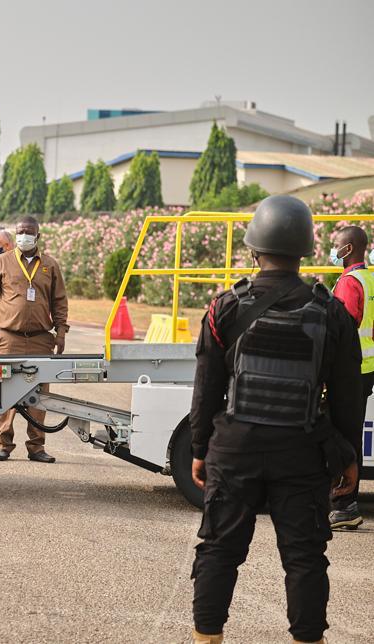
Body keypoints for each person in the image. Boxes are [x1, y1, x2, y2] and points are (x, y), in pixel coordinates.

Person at [189, 195, 362, 644]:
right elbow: (348, 396)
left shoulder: (224, 307)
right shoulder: (331, 313)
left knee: (219, 550)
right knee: (304, 557)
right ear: (304, 249)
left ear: (253, 248)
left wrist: (198, 447)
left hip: (234, 448)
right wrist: (347, 455)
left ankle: (207, 638)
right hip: (302, 451)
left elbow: (207, 388)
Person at [0, 216, 69, 464]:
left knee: (39, 394)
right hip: (8, 338)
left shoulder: (50, 265)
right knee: (4, 390)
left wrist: (60, 332)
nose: (23, 236)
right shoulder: (3, 261)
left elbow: (59, 301)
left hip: (40, 340)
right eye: (20, 232)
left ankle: (36, 447)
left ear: (37, 236)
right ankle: (3, 444)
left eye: (28, 232)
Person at [328, 225, 373, 530]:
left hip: (347, 371)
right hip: (366, 369)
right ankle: (346, 504)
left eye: (337, 246)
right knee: (351, 434)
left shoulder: (349, 282)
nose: (334, 250)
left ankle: (344, 505)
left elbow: (339, 331)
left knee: (342, 438)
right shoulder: (370, 278)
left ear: (349, 249)